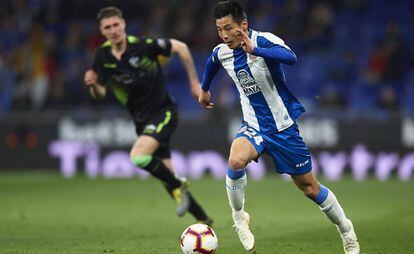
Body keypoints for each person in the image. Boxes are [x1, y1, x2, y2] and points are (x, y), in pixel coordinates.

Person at [198, 1, 359, 253]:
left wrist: (256, 50)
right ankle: (239, 217)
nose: (224, 35)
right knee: (235, 161)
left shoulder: (264, 40)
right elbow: (212, 61)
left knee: (310, 188)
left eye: (228, 28)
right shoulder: (223, 51)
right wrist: (205, 89)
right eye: (219, 29)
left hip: (282, 128)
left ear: (243, 25)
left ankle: (346, 230)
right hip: (253, 125)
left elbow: (291, 57)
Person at [84, 6, 212, 225]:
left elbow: (180, 47)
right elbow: (101, 94)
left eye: (116, 25)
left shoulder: (143, 46)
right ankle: (203, 219)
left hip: (164, 112)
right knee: (167, 175)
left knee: (139, 156)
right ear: (102, 31)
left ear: (123, 24)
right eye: (108, 27)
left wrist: (194, 83)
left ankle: (178, 185)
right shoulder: (102, 56)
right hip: (141, 121)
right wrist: (94, 84)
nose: (113, 30)